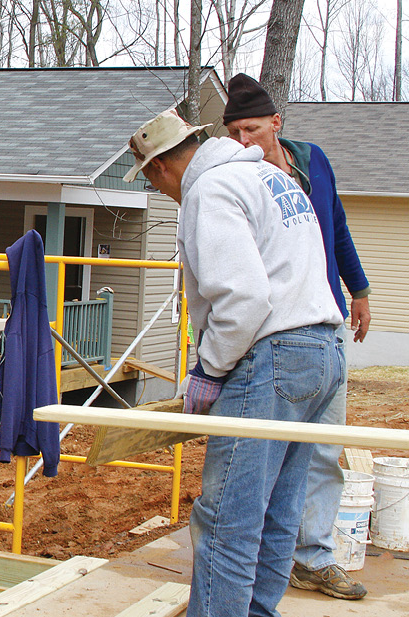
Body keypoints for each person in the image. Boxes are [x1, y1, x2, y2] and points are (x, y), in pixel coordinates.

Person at [123, 110, 344, 617]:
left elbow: (244, 300)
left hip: (274, 357)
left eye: (155, 185)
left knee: (227, 519)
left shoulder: (211, 191)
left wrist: (210, 370)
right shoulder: (268, 174)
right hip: (323, 351)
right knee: (277, 511)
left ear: (158, 169)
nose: (163, 194)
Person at [222, 73, 372, 600]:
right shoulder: (242, 179)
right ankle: (266, 561)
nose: (245, 141)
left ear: (276, 124)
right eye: (235, 131)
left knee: (321, 449)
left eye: (253, 129)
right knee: (265, 462)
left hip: (323, 326)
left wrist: (359, 289)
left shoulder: (311, 162)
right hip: (273, 336)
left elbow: (338, 225)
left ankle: (312, 556)